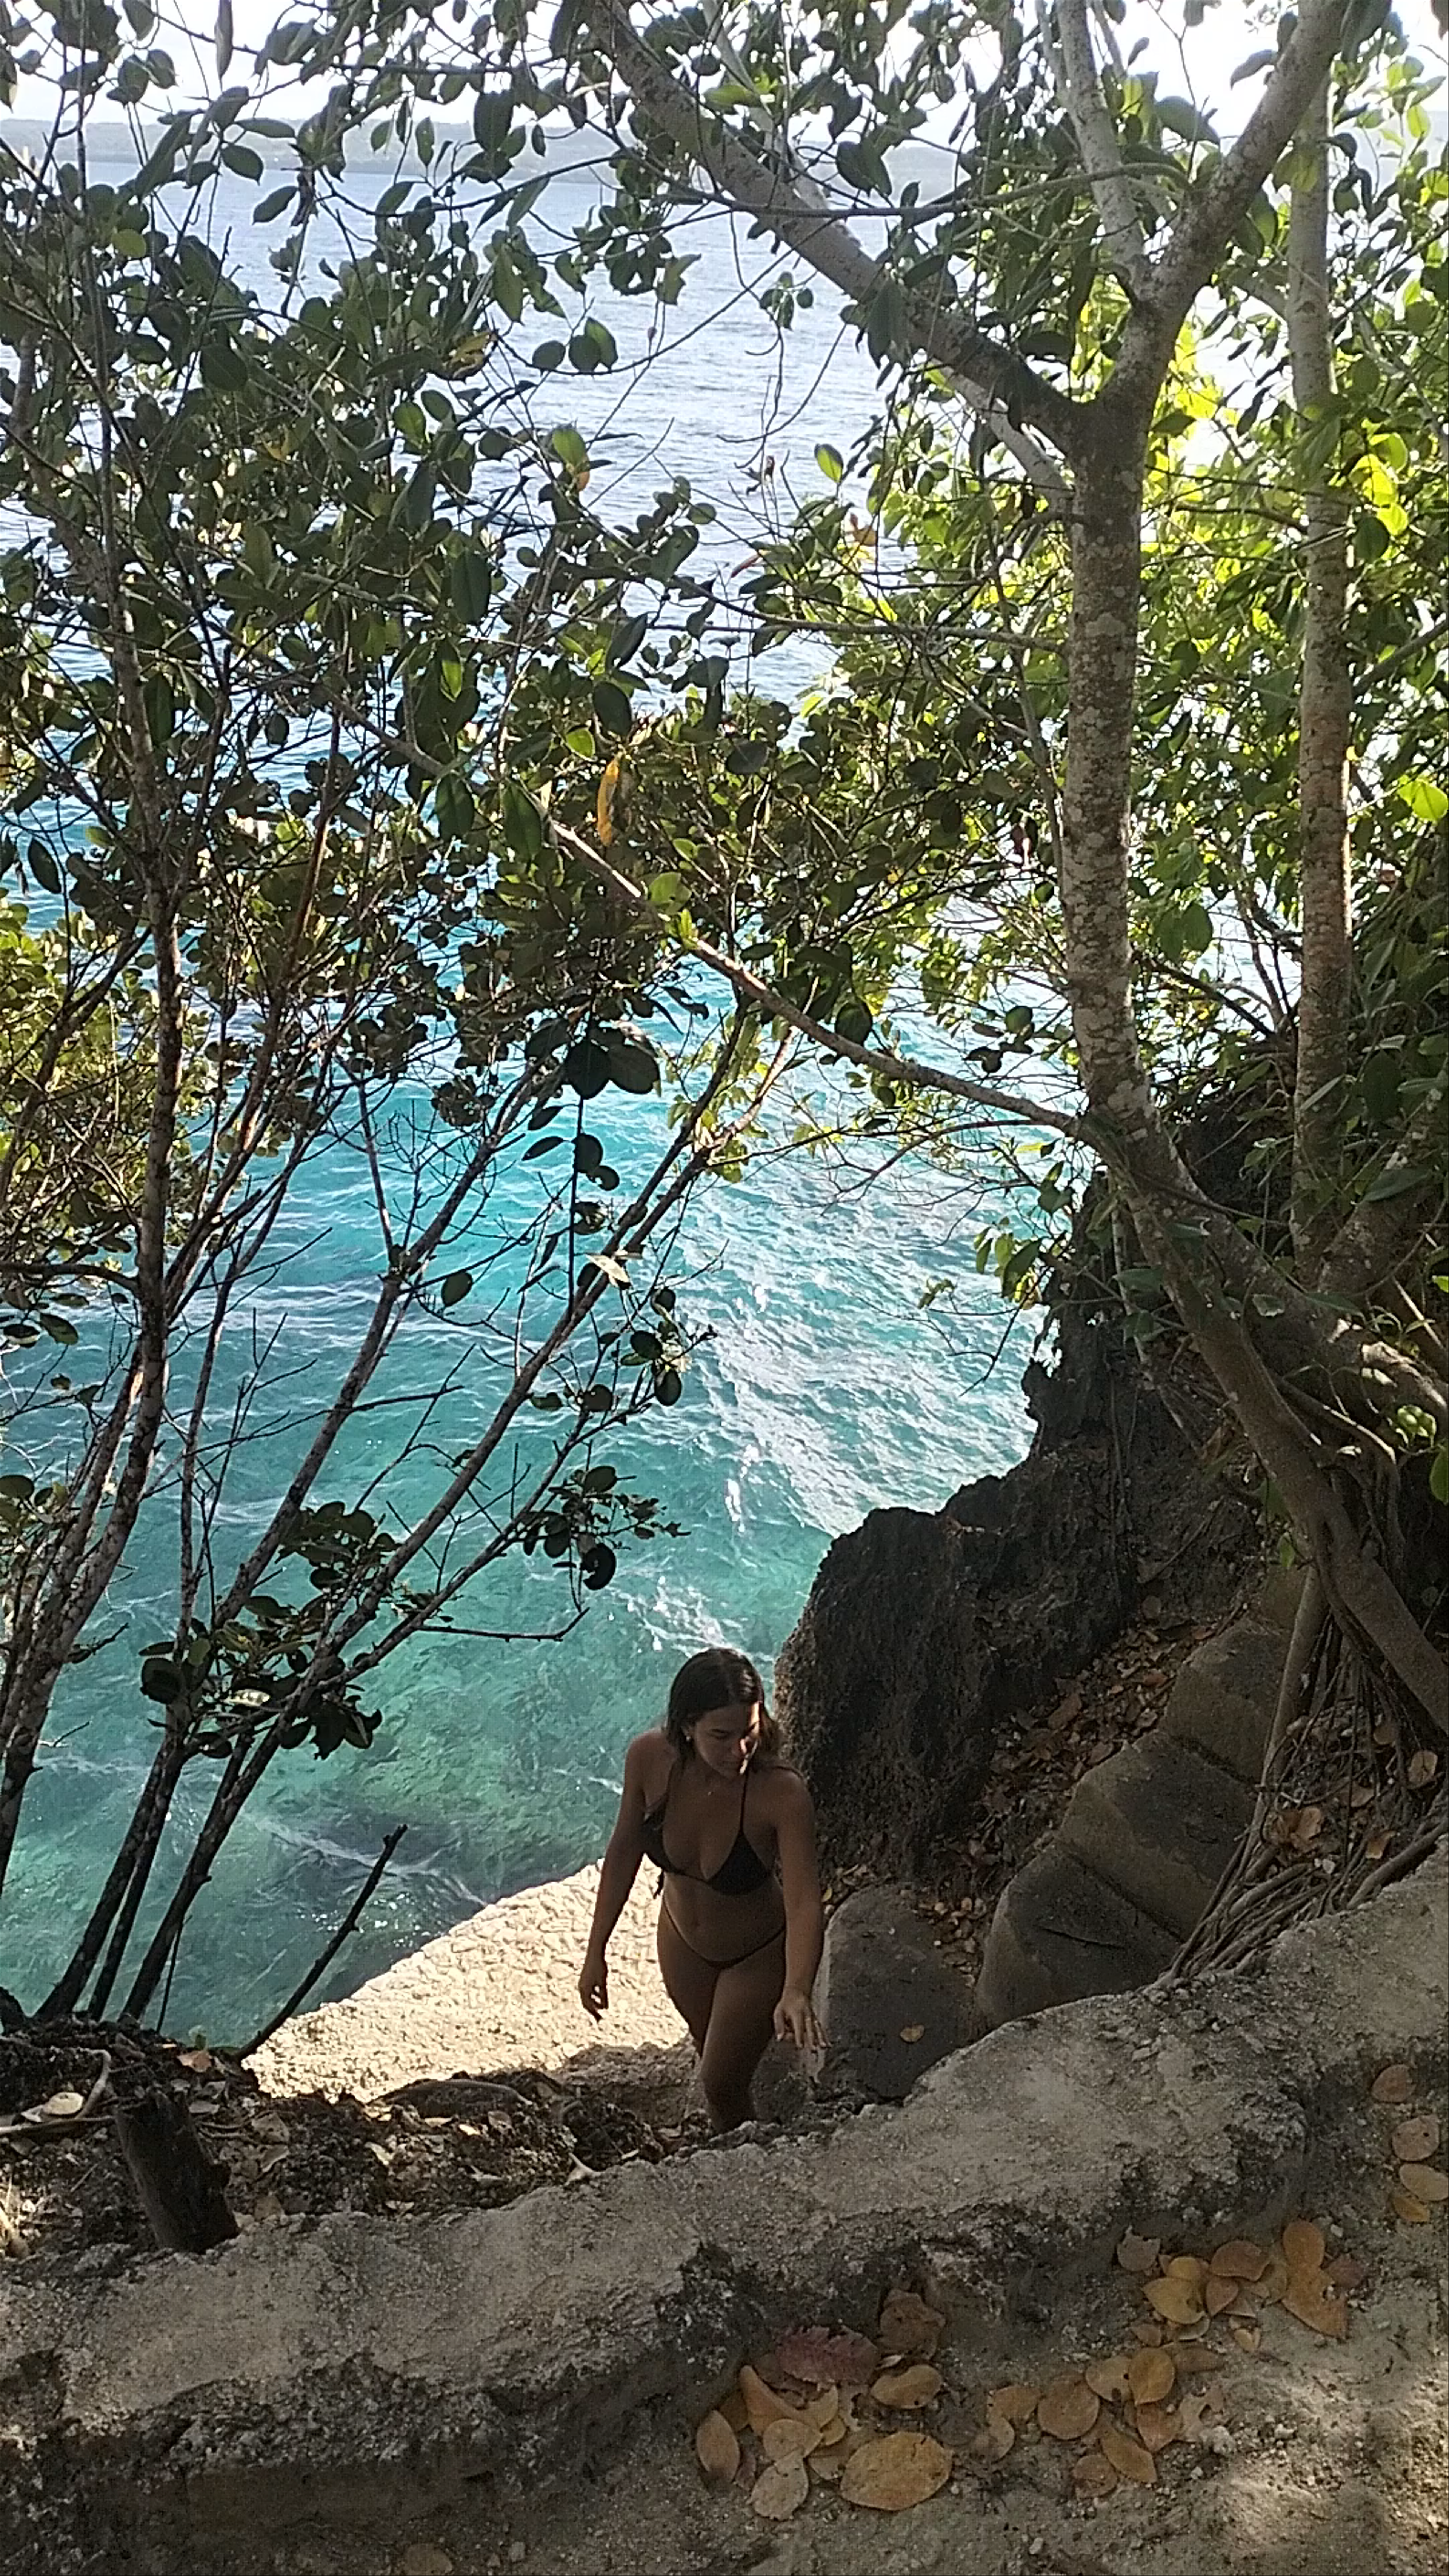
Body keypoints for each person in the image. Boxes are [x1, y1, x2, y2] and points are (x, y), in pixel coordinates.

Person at [578, 1645, 824, 2130]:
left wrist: (796, 1988)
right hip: (680, 1944)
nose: (739, 1751)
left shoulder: (780, 1792)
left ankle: (748, 2173)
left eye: (749, 1733)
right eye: (721, 1735)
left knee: (720, 2086)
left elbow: (803, 1901)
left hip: (754, 1954)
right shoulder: (649, 1758)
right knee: (708, 2049)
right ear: (687, 1726)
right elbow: (624, 1849)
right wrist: (595, 1950)